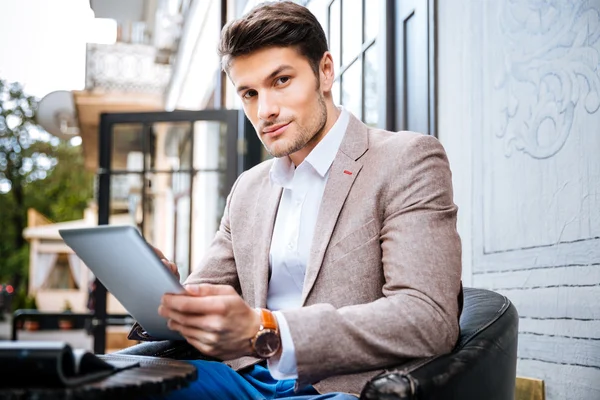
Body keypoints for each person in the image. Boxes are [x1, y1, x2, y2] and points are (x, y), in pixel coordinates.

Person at [152, 1, 462, 398]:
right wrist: (166, 297)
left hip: (340, 388)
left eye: (281, 80)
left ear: (325, 71)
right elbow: (206, 293)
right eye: (249, 93)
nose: (265, 110)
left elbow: (427, 317)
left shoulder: (406, 160)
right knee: (101, 379)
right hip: (246, 380)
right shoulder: (248, 190)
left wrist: (268, 330)